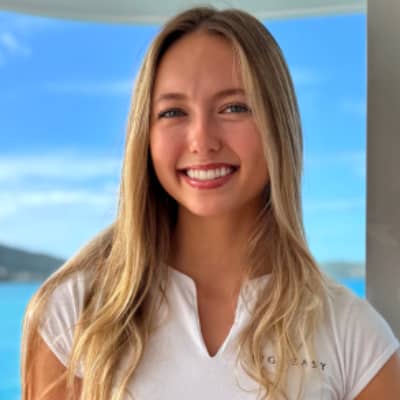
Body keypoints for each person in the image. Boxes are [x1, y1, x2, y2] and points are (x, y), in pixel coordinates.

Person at [21, 6, 400, 400]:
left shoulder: (357, 341)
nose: (202, 139)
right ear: (144, 136)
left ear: (277, 123)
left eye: (234, 107)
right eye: (173, 112)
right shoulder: (73, 314)